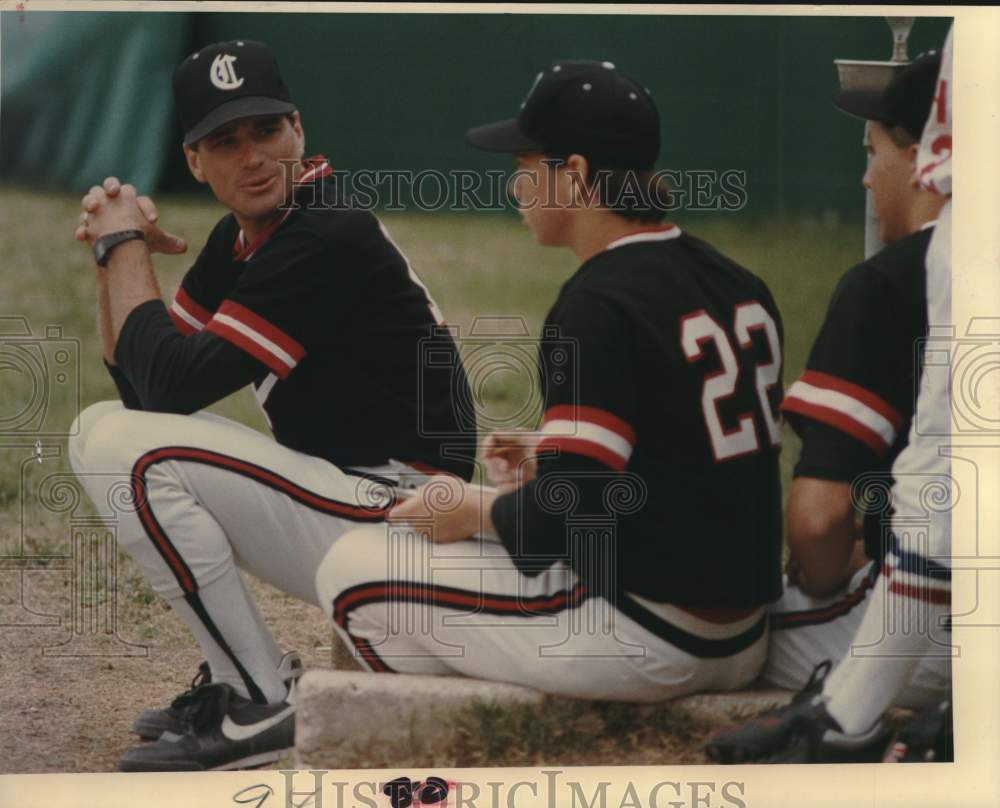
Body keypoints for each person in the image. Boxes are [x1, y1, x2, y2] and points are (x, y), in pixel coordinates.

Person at [314, 60, 785, 701]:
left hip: (647, 637)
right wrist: (553, 454)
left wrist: (474, 507)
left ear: (577, 174)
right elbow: (696, 459)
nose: (515, 187)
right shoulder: (735, 280)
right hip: (745, 636)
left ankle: (481, 756)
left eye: (525, 166)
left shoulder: (598, 300)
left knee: (351, 571)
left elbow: (571, 514)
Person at [70, 40, 473, 772]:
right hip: (360, 505)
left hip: (411, 525)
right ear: (194, 162)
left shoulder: (323, 231)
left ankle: (259, 698)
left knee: (120, 448)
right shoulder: (248, 236)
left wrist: (125, 243)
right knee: (105, 429)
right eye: (225, 141)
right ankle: (244, 682)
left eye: (265, 131)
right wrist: (112, 255)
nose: (251, 156)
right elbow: (142, 388)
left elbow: (166, 388)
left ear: (299, 132)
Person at [706, 47, 953, 763]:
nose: (866, 175)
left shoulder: (887, 284)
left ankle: (844, 723)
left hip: (931, 622)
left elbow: (819, 521)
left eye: (875, 151)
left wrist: (823, 570)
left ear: (924, 153)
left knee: (727, 631)